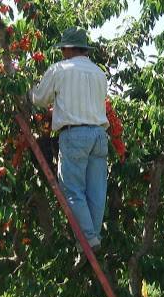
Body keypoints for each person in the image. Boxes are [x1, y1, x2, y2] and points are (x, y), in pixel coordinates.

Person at [30, 27, 109, 251]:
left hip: (75, 134)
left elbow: (40, 99)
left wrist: (27, 91)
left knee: (73, 190)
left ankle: (87, 239)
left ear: (68, 48)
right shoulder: (98, 73)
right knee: (96, 191)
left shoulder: (60, 70)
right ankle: (93, 237)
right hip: (99, 135)